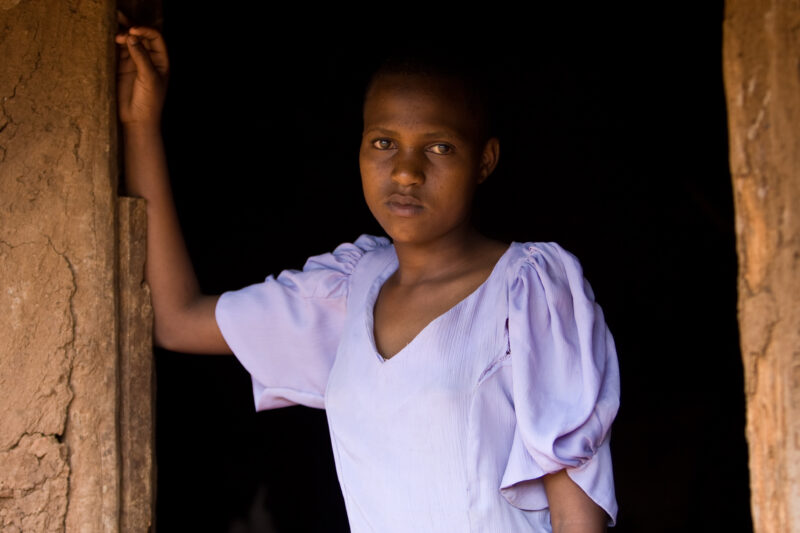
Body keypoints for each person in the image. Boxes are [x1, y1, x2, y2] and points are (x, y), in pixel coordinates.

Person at [116, 23, 620, 533]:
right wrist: (140, 124)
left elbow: (577, 515)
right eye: (383, 142)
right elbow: (177, 320)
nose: (405, 171)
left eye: (439, 147)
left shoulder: (529, 292)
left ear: (484, 161)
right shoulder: (348, 291)